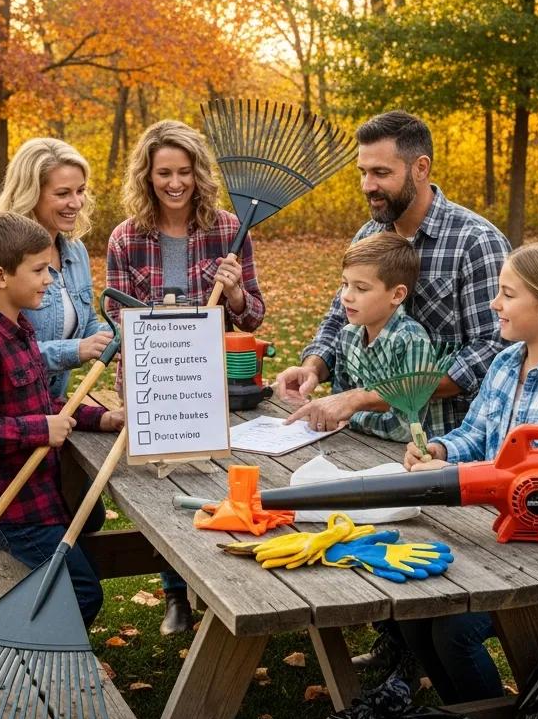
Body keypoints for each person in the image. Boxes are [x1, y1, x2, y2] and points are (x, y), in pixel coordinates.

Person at [397, 240, 538, 703]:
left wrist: (462, 476)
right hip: (509, 536)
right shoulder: (507, 363)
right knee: (414, 618)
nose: (494, 303)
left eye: (507, 294)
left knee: (453, 632)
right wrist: (440, 449)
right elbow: (477, 435)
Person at [106, 119, 265, 634]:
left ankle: (219, 583)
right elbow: (115, 314)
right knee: (158, 491)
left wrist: (235, 292)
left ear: (198, 174)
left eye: (184, 172)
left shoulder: (226, 230)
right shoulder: (126, 238)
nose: (175, 183)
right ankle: (175, 592)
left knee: (208, 480)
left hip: (206, 381)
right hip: (152, 379)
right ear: (147, 177)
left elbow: (252, 315)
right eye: (163, 173)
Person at [275, 110, 509, 443]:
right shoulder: (369, 236)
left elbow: (493, 352)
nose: (368, 186)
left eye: (381, 173)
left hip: (453, 443)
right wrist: (313, 367)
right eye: (363, 172)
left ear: (421, 168)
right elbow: (340, 318)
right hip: (367, 435)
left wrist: (364, 397)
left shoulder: (475, 242)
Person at [0, 212, 124, 626]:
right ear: (1, 276)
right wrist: (39, 429)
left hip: (38, 497)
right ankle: (28, 663)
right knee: (82, 592)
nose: (50, 280)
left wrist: (102, 418)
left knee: (90, 519)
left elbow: (43, 404)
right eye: (40, 270)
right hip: (6, 513)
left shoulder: (20, 331)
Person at [0, 137, 113, 400]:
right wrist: (76, 350)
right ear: (31, 193)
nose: (77, 203)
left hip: (48, 408)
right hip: (0, 414)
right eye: (62, 193)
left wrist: (115, 336)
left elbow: (88, 321)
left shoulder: (75, 251)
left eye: (80, 190)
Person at [278, 231, 437, 441]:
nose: (346, 296)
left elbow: (405, 427)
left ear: (397, 295)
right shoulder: (348, 336)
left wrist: (349, 416)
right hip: (356, 446)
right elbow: (339, 397)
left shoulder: (411, 341)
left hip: (409, 458)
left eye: (361, 288)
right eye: (344, 284)